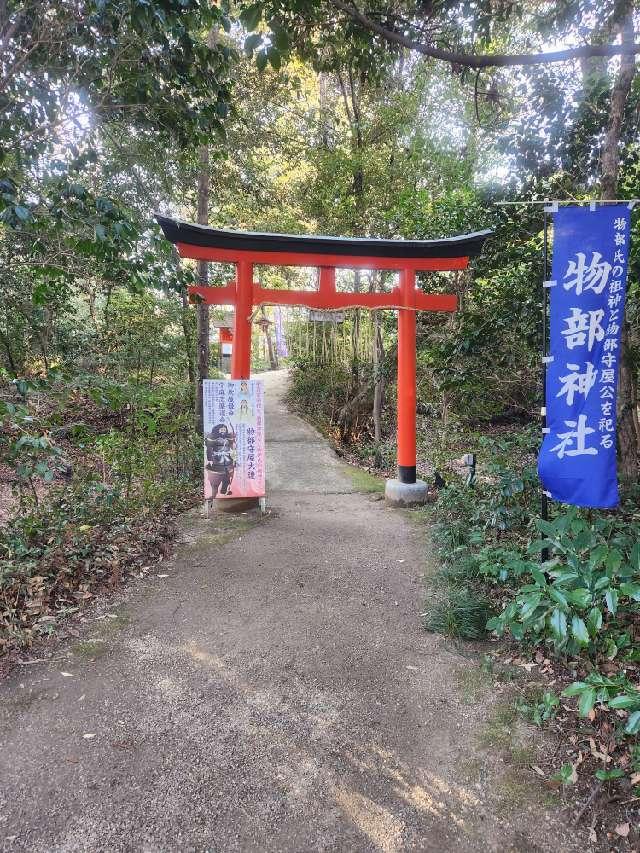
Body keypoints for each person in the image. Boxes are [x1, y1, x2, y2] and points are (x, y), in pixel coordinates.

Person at [205, 423, 235, 497]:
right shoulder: (213, 437)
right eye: (221, 429)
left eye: (224, 430)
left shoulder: (228, 438)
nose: (223, 431)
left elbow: (233, 447)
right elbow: (209, 449)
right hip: (217, 460)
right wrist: (210, 459)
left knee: (227, 477)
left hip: (228, 461)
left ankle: (224, 490)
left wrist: (234, 458)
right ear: (217, 430)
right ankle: (213, 493)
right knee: (215, 479)